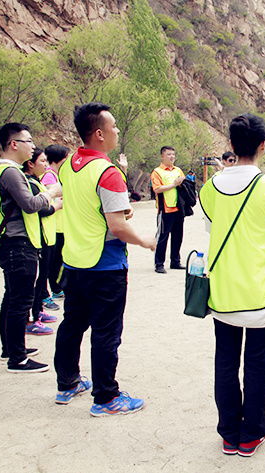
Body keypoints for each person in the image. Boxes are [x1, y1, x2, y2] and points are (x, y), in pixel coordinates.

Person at [199, 113, 265, 457]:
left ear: (230, 144)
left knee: (225, 362)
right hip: (261, 291)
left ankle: (228, 433)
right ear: (263, 146)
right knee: (257, 363)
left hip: (223, 290)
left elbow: (213, 229)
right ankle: (251, 434)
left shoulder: (210, 188)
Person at [54, 102, 155, 415]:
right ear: (99, 134)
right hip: (105, 266)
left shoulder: (68, 165)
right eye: (113, 126)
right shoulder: (108, 172)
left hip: (73, 262)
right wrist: (144, 241)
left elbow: (86, 206)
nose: (117, 131)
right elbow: (117, 227)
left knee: (72, 326)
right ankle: (107, 397)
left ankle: (67, 383)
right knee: (106, 333)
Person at [0, 123, 62, 372]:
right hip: (18, 244)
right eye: (28, 141)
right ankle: (17, 359)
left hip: (13, 243)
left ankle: (10, 349)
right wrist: (51, 193)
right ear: (14, 144)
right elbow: (30, 204)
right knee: (20, 301)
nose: (32, 146)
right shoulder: (10, 172)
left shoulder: (4, 170)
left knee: (12, 297)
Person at [23, 148, 62, 336]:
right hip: (39, 238)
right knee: (38, 280)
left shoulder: (37, 181)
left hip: (47, 236)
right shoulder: (30, 184)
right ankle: (33, 317)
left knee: (43, 275)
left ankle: (38, 311)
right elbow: (40, 209)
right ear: (30, 164)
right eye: (42, 161)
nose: (46, 165)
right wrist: (57, 205)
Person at [41, 144, 71, 301]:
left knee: (58, 259)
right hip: (54, 225)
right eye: (66, 157)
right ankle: (52, 289)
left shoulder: (58, 175)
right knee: (52, 261)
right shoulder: (49, 176)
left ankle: (57, 287)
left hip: (60, 224)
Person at [151, 146, 186, 274]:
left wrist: (181, 184)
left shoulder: (178, 170)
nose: (172, 157)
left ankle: (175, 261)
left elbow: (184, 184)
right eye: (169, 154)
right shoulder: (157, 172)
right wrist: (174, 185)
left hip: (178, 208)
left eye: (173, 154)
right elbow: (157, 189)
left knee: (178, 236)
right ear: (162, 156)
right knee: (162, 237)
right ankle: (159, 264)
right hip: (165, 209)